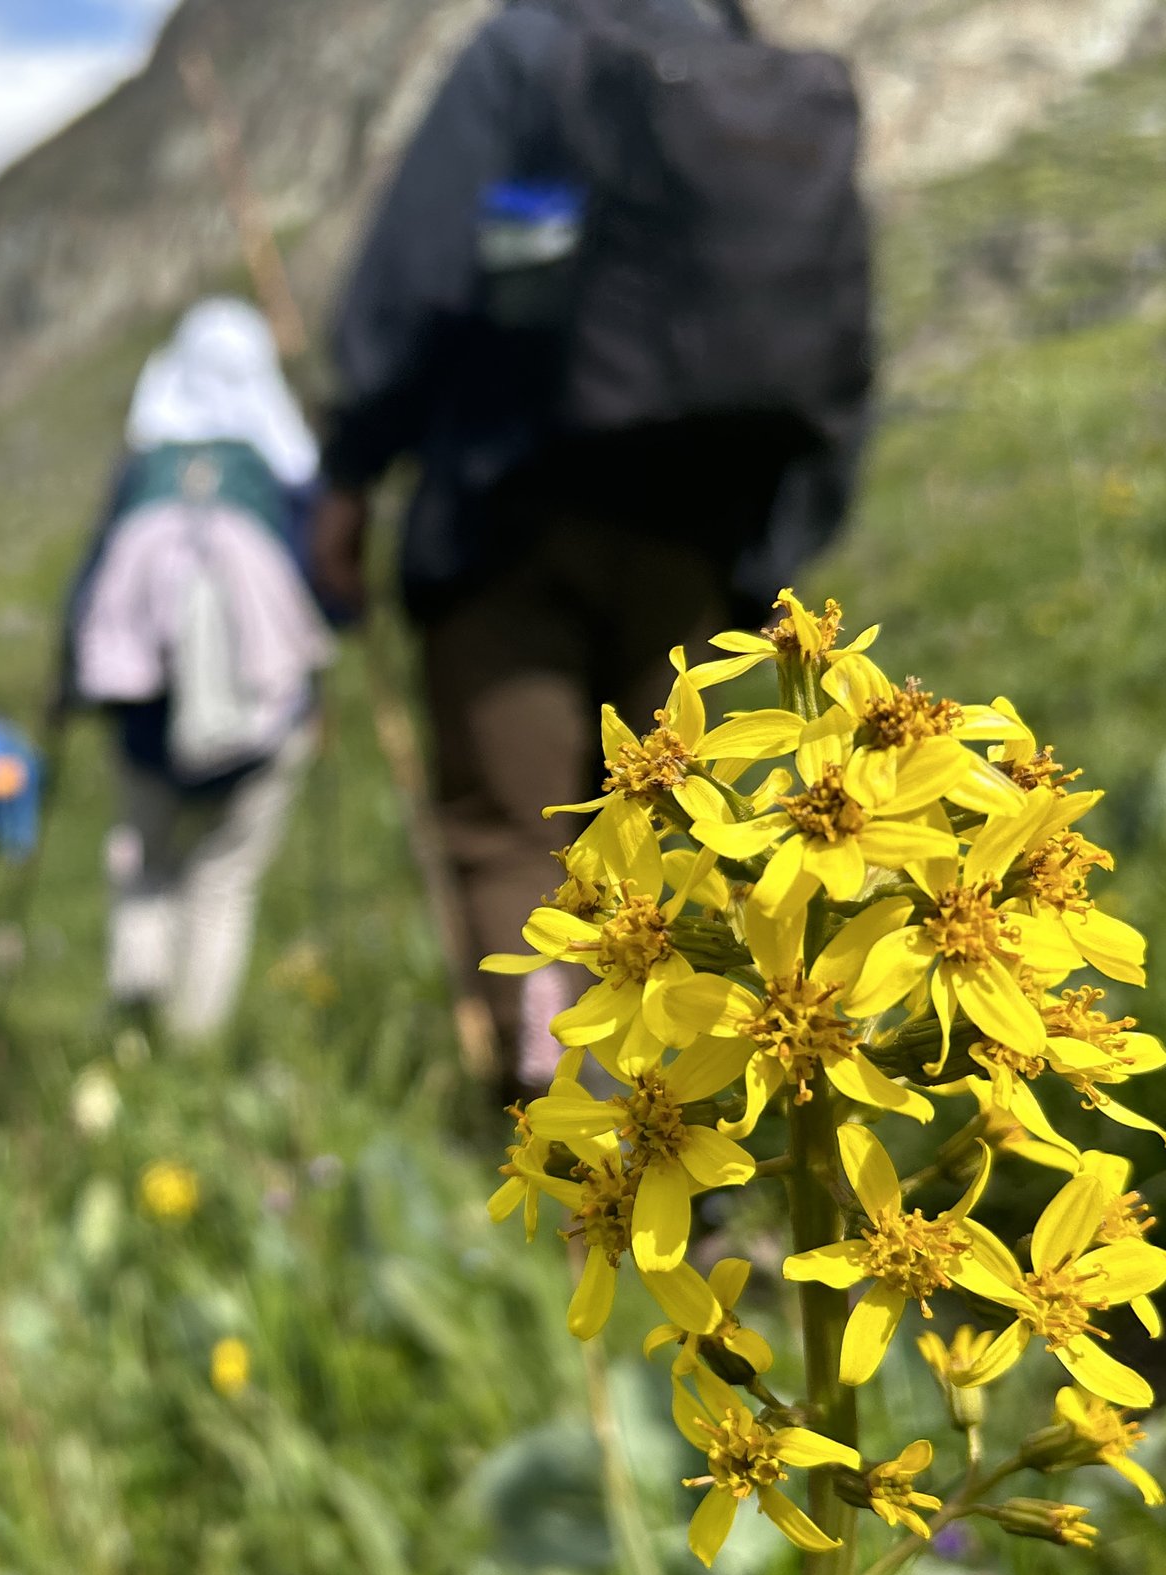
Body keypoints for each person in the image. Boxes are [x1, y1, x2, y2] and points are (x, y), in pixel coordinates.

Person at [306, 0, 874, 1098]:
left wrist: (351, 467)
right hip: (696, 536)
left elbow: (421, 269)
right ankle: (692, 1130)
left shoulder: (526, 48)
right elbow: (838, 347)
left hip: (507, 513)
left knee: (514, 837)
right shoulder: (752, 75)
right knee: (678, 830)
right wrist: (775, 549)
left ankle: (566, 1130)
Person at [61, 298, 348, 1043]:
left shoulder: (143, 469)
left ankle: (135, 1029)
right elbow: (330, 591)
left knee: (144, 863)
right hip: (264, 718)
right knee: (222, 877)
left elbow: (90, 586)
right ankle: (195, 1045)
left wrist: (67, 690)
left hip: (145, 716)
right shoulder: (286, 472)